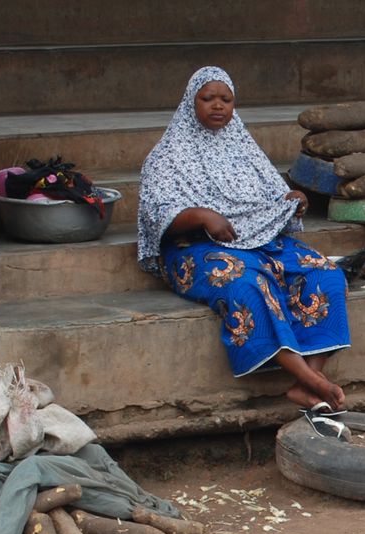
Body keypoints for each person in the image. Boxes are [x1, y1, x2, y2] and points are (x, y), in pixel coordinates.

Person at [137, 66, 352, 414]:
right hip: (195, 247)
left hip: (260, 240)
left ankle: (309, 381)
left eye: (226, 99)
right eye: (208, 98)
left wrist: (293, 199)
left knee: (326, 273)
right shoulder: (168, 155)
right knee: (245, 281)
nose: (218, 106)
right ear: (191, 102)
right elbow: (156, 214)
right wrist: (202, 216)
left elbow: (272, 194)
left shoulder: (243, 146)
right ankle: (310, 380)